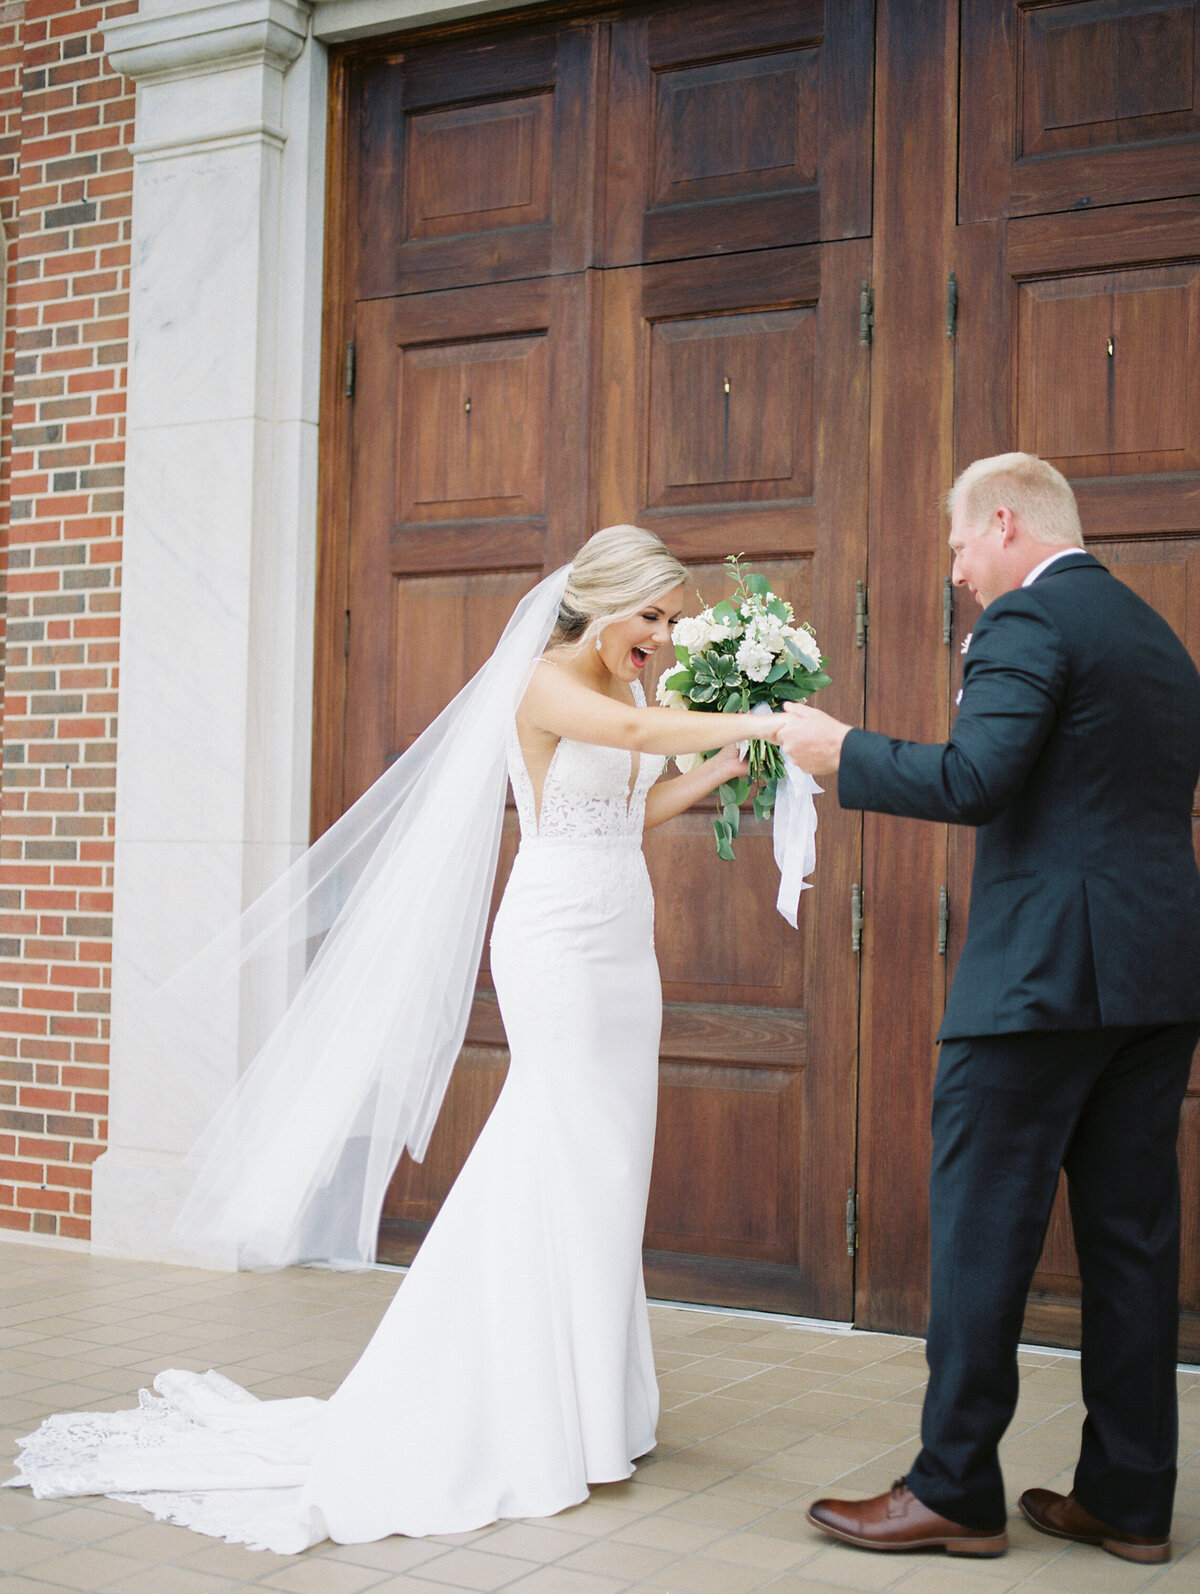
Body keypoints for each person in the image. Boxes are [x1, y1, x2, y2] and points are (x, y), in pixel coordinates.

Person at [5, 525, 786, 1553]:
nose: (663, 640)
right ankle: (508, 1395)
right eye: (652, 618)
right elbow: (637, 747)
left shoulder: (633, 695)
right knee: (556, 1147)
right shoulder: (549, 684)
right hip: (554, 940)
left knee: (608, 1166)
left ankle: (598, 1407)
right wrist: (772, 710)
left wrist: (732, 760)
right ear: (599, 604)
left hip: (621, 943)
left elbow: (637, 800)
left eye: (674, 624)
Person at [776, 453, 1200, 1564]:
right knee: (1131, 1244)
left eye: (960, 544)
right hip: (1155, 982)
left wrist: (841, 751)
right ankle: (1131, 1497)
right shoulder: (1157, 637)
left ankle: (954, 1488)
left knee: (979, 1236)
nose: (958, 569)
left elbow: (977, 779)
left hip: (1035, 985)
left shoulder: (1026, 621)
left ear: (1005, 525)